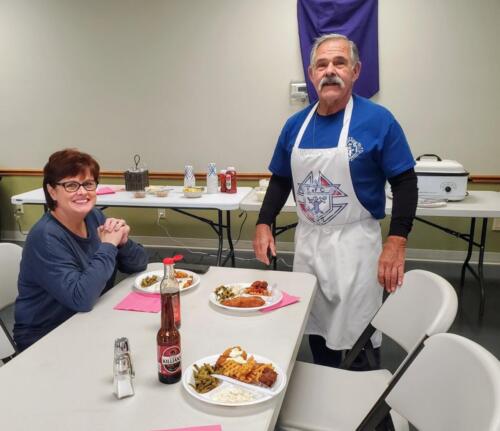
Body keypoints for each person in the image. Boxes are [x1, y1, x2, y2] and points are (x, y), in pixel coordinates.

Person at [253, 34, 418, 369]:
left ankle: (363, 406)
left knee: (359, 335)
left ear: (355, 71)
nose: (330, 71)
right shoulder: (295, 126)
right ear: (312, 74)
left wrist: (397, 240)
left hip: (355, 247)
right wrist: (263, 222)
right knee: (314, 325)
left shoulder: (378, 121)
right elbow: (281, 178)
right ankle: (324, 387)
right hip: (310, 243)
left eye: (339, 63)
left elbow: (405, 181)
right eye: (321, 64)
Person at [13, 149, 148, 351]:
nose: (82, 192)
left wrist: (123, 242)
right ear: (52, 191)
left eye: (88, 184)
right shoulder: (46, 237)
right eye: (71, 185)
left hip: (90, 319)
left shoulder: (94, 217)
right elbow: (81, 298)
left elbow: (140, 263)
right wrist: (109, 245)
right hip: (46, 337)